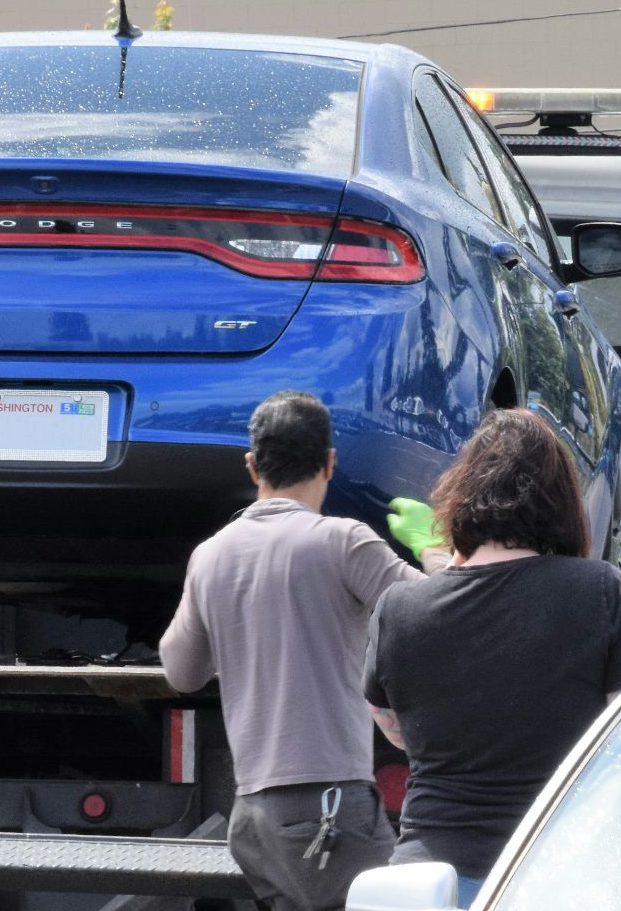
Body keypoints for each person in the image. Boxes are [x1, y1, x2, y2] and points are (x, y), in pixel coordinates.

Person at [160, 390, 446, 911]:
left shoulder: (210, 555)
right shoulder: (343, 542)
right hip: (327, 808)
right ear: (330, 463)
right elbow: (441, 616)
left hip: (251, 819)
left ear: (252, 465)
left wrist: (211, 585)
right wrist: (431, 548)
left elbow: (181, 672)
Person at [363, 408, 621, 906]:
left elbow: (387, 718)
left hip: (425, 883)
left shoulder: (400, 608)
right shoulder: (599, 592)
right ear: (562, 504)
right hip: (555, 875)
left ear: (460, 498)